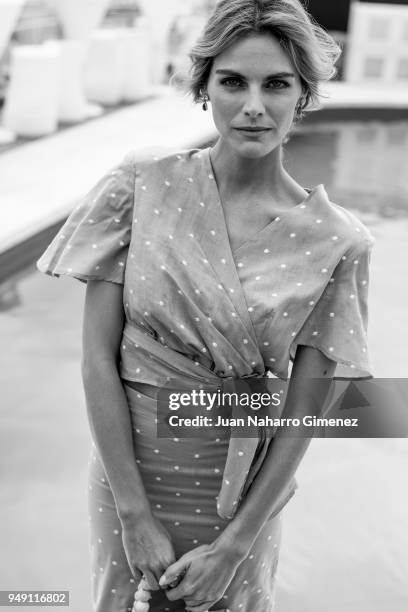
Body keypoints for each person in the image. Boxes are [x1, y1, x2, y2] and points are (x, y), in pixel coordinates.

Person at [36, 1, 376, 610]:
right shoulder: (141, 185)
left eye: (276, 84)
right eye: (232, 82)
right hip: (130, 476)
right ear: (203, 89)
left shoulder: (338, 240)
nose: (253, 106)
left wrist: (235, 545)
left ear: (303, 94)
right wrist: (134, 513)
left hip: (245, 496)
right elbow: (95, 358)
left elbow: (306, 412)